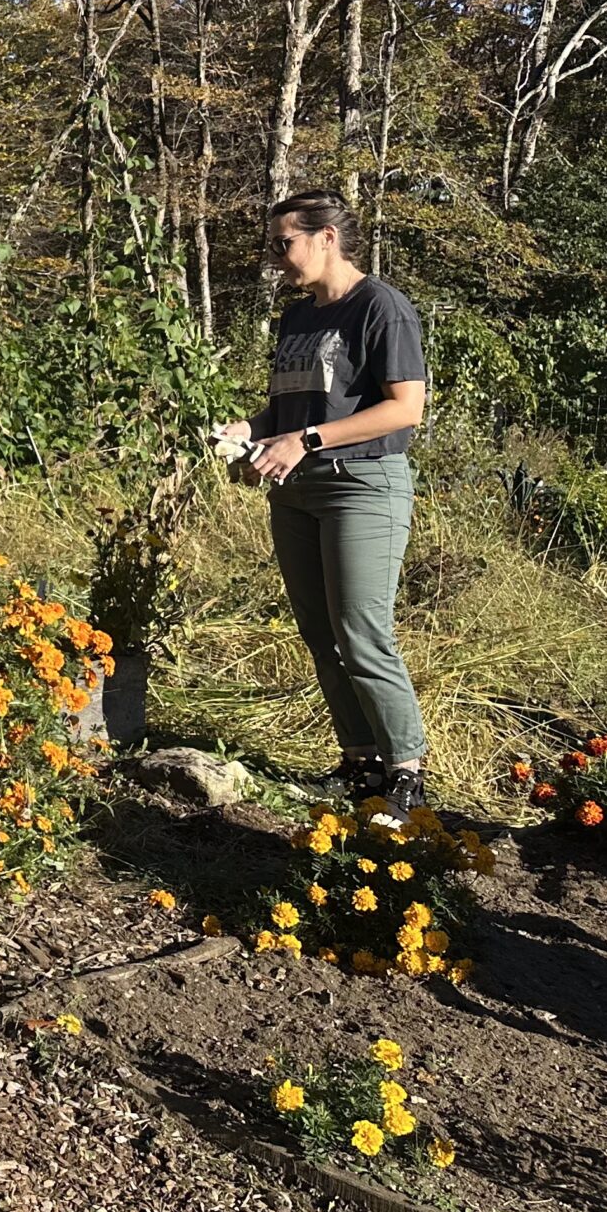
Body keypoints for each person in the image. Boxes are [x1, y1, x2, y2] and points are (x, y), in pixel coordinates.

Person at [219, 189, 432, 822]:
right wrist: (249, 429)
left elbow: (405, 408)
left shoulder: (382, 307)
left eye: (284, 243)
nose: (277, 257)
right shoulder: (297, 317)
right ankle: (360, 763)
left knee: (363, 633)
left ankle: (407, 774)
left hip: (362, 486)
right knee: (321, 633)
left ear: (326, 237)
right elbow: (290, 409)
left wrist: (307, 439)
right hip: (295, 490)